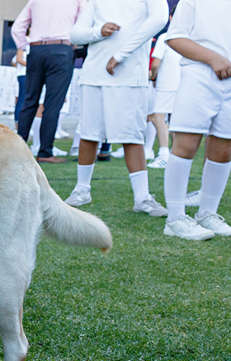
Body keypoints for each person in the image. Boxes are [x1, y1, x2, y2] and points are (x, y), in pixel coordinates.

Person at [63, 0, 168, 217]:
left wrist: (122, 54)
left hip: (130, 75)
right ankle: (82, 190)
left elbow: (159, 19)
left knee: (132, 136)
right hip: (93, 73)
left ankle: (142, 197)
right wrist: (98, 31)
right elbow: (75, 35)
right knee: (89, 133)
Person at [161, 0, 231, 240]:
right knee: (186, 144)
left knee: (224, 148)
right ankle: (175, 218)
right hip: (200, 75)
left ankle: (207, 213)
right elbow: (175, 37)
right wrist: (213, 58)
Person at [12, 0, 83, 164]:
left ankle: (17, 149)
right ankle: (45, 151)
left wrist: (24, 45)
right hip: (62, 49)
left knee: (30, 101)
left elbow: (17, 27)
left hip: (36, 50)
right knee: (53, 104)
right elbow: (83, 25)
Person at [147, 9, 183, 170]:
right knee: (175, 122)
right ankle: (176, 157)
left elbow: (155, 63)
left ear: (170, 17)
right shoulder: (191, 39)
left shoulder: (165, 37)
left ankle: (164, 154)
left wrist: (153, 77)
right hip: (183, 84)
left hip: (167, 84)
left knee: (157, 117)